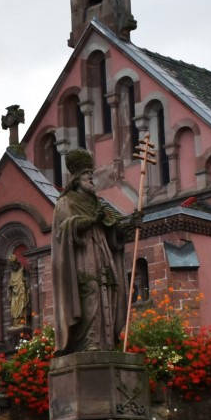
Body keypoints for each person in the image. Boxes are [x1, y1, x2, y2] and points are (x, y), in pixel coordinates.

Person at [49, 149, 133, 354]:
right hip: (81, 257)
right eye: (88, 175)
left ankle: (105, 342)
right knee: (91, 291)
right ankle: (88, 342)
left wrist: (130, 225)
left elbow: (112, 230)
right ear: (77, 179)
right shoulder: (65, 202)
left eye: (91, 175)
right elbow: (64, 229)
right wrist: (89, 221)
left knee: (107, 290)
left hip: (102, 253)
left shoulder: (97, 203)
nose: (91, 179)